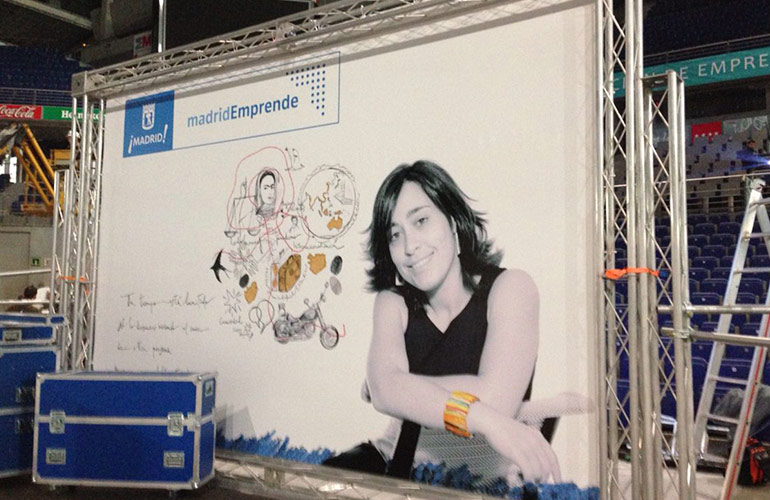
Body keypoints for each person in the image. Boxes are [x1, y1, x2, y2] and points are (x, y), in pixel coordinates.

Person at [323, 161, 560, 485]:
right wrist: (479, 415)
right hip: (394, 465)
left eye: (421, 221)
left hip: (480, 483)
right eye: (395, 235)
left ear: (453, 220)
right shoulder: (392, 302)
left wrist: (404, 386)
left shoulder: (512, 288)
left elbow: (496, 400)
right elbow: (384, 389)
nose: (410, 247)